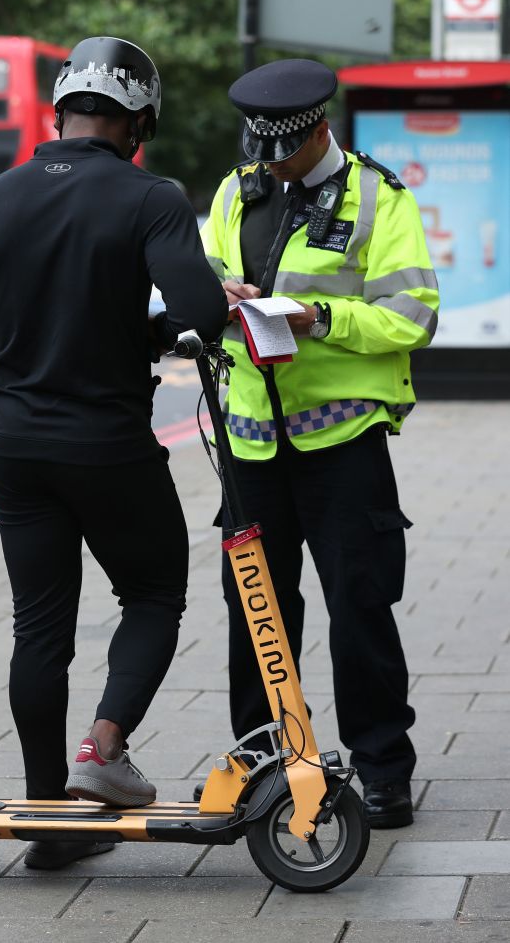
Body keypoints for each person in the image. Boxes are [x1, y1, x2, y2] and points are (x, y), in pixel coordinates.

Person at [0, 35, 228, 869]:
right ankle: (103, 748)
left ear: (59, 112)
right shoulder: (151, 197)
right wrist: (140, 334)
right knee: (154, 589)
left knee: (40, 629)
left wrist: (35, 347)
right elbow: (200, 307)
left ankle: (48, 820)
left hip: (17, 446)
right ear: (139, 123)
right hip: (109, 446)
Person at [199, 59, 440, 828]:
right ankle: (266, 761)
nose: (269, 163)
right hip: (251, 445)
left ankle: (381, 770)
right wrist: (218, 297)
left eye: (283, 151)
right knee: (258, 614)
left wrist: (320, 319)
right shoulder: (238, 190)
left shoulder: (379, 195)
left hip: (342, 443)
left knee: (360, 607)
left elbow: (414, 314)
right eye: (259, 149)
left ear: (319, 130)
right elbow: (203, 273)